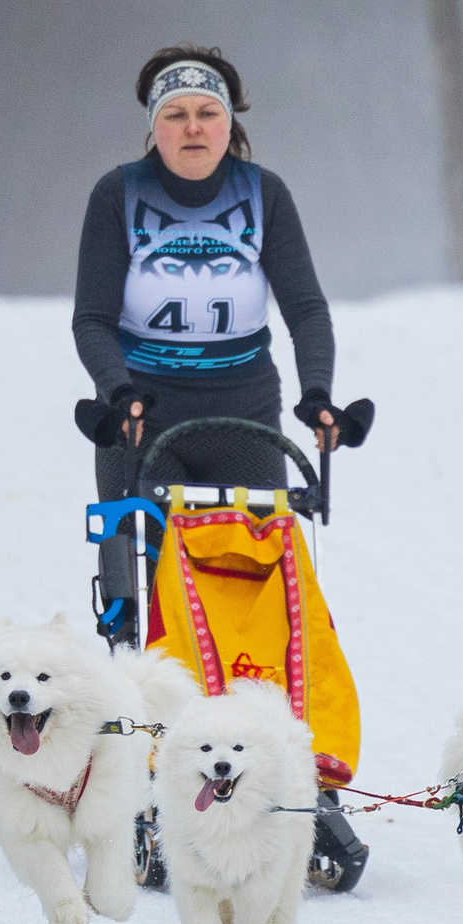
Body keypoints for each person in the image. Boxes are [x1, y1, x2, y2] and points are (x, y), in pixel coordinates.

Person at [73, 45, 346, 640]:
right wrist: (117, 393)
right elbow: (92, 319)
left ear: (228, 123)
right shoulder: (117, 194)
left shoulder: (264, 194)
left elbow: (306, 310)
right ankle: (137, 665)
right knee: (150, 593)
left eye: (207, 113)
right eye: (176, 114)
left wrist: (318, 395)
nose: (193, 127)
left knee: (257, 593)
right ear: (155, 126)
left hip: (242, 412)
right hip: (141, 414)